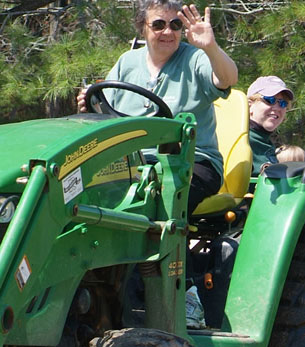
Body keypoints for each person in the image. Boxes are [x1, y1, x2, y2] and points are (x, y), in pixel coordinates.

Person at [77, 0, 238, 214]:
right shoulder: (127, 62)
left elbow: (227, 79)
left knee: (159, 202)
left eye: (175, 25)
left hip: (189, 162)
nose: (168, 32)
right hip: (131, 164)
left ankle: (166, 246)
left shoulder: (195, 58)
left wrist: (211, 47)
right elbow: (103, 110)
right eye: (159, 24)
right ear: (142, 26)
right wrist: (87, 104)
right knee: (79, 193)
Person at [247, 76, 294, 174]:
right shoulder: (240, 139)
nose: (277, 108)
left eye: (283, 103)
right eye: (270, 100)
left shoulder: (266, 142)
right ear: (249, 105)